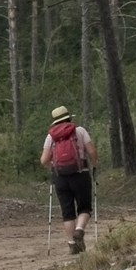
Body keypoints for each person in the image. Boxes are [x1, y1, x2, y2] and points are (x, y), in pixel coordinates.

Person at [40, 104, 96, 255]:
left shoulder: (51, 136)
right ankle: (79, 230)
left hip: (60, 177)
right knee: (84, 207)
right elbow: (91, 152)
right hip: (80, 174)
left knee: (67, 211)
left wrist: (53, 166)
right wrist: (95, 165)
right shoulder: (80, 131)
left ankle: (72, 244)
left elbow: (44, 160)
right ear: (69, 117)